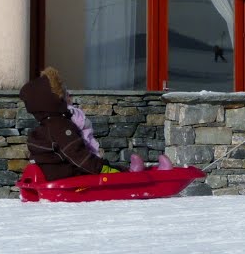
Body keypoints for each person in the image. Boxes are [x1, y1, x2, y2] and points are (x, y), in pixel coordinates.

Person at [19, 66, 171, 181]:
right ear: (52, 101)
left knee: (109, 166)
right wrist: (102, 167)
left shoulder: (46, 127)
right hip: (76, 176)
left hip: (67, 173)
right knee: (111, 170)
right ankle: (141, 177)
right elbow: (79, 156)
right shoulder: (60, 127)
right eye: (64, 94)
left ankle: (136, 171)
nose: (68, 96)